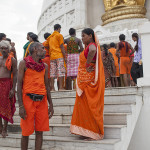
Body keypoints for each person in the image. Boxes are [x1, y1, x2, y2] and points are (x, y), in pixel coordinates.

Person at [17, 42, 54, 150]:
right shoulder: (23, 63)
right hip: (28, 100)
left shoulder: (45, 66)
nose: (44, 50)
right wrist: (20, 106)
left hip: (42, 101)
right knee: (25, 132)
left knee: (40, 131)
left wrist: (51, 105)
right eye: (42, 48)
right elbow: (19, 85)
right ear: (34, 50)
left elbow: (47, 86)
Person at [70, 28, 105, 140]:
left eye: (84, 35)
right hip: (84, 82)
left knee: (90, 106)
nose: (82, 38)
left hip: (88, 83)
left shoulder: (92, 45)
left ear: (90, 36)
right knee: (84, 107)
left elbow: (93, 50)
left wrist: (88, 63)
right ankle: (86, 131)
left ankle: (94, 132)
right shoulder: (87, 46)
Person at [0, 40, 17, 138]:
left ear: (8, 49)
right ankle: (0, 128)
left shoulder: (12, 59)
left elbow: (15, 75)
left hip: (7, 84)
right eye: (1, 48)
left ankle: (5, 129)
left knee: (6, 107)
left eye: (5, 48)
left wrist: (13, 89)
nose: (3, 50)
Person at [44, 24, 67, 91]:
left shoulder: (50, 37)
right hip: (59, 55)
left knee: (52, 72)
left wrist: (51, 49)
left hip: (52, 57)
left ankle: (52, 88)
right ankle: (61, 88)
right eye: (60, 29)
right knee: (61, 71)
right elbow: (62, 46)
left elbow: (45, 46)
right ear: (59, 28)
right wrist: (65, 57)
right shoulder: (59, 35)